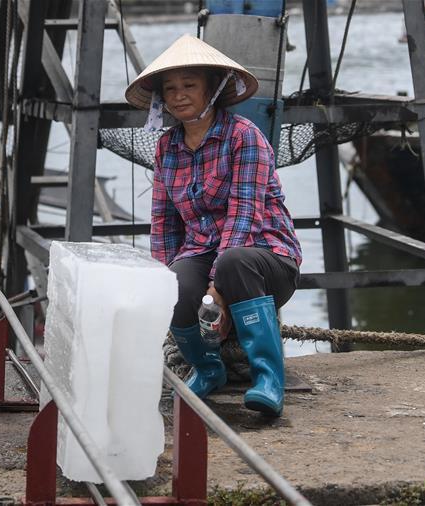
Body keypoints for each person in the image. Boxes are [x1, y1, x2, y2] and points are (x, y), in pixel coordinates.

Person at [125, 35, 302, 417]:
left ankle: (268, 377)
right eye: (170, 89)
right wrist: (165, 288)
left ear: (213, 89)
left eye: (189, 85)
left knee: (234, 260)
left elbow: (245, 214)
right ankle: (208, 369)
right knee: (174, 278)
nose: (179, 95)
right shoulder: (166, 149)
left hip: (266, 259)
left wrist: (215, 291)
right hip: (207, 257)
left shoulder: (244, 136)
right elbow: (165, 225)